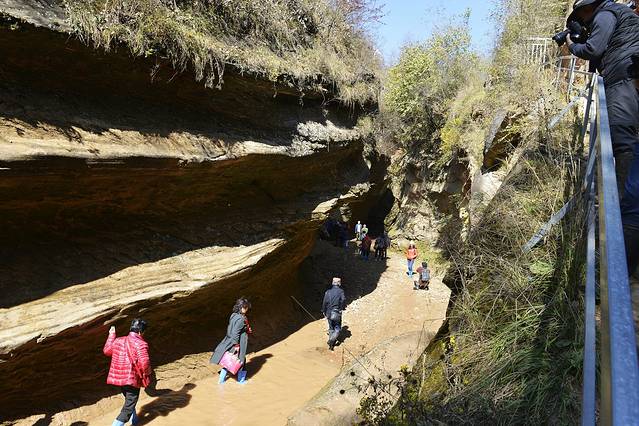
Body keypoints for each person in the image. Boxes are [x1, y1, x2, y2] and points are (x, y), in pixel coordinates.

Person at [566, 0, 639, 275]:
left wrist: (572, 45)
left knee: (622, 144)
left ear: (588, 8)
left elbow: (593, 49)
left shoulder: (605, 15)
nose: (582, 20)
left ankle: (617, 211)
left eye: (581, 15)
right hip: (625, 78)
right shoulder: (617, 14)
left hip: (622, 81)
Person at [103, 318, 152, 426]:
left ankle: (135, 421)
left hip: (120, 379)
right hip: (132, 379)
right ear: (140, 332)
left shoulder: (118, 340)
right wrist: (148, 374)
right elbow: (145, 363)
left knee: (129, 401)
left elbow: (107, 351)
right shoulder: (141, 344)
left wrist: (111, 335)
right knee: (128, 407)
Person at [211, 297, 252, 384]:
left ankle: (221, 381)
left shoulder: (233, 315)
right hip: (238, 342)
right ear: (241, 307)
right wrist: (236, 345)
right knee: (241, 361)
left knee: (229, 361)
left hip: (230, 341)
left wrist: (245, 328)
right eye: (246, 307)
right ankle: (241, 381)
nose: (247, 309)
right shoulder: (241, 319)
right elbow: (236, 333)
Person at [322, 277, 345, 350]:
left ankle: (331, 346)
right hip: (336, 312)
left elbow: (324, 302)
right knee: (337, 328)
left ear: (332, 283)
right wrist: (341, 308)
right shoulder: (341, 291)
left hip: (328, 312)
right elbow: (343, 300)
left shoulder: (328, 292)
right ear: (339, 283)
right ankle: (331, 340)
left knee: (331, 328)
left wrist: (323, 311)